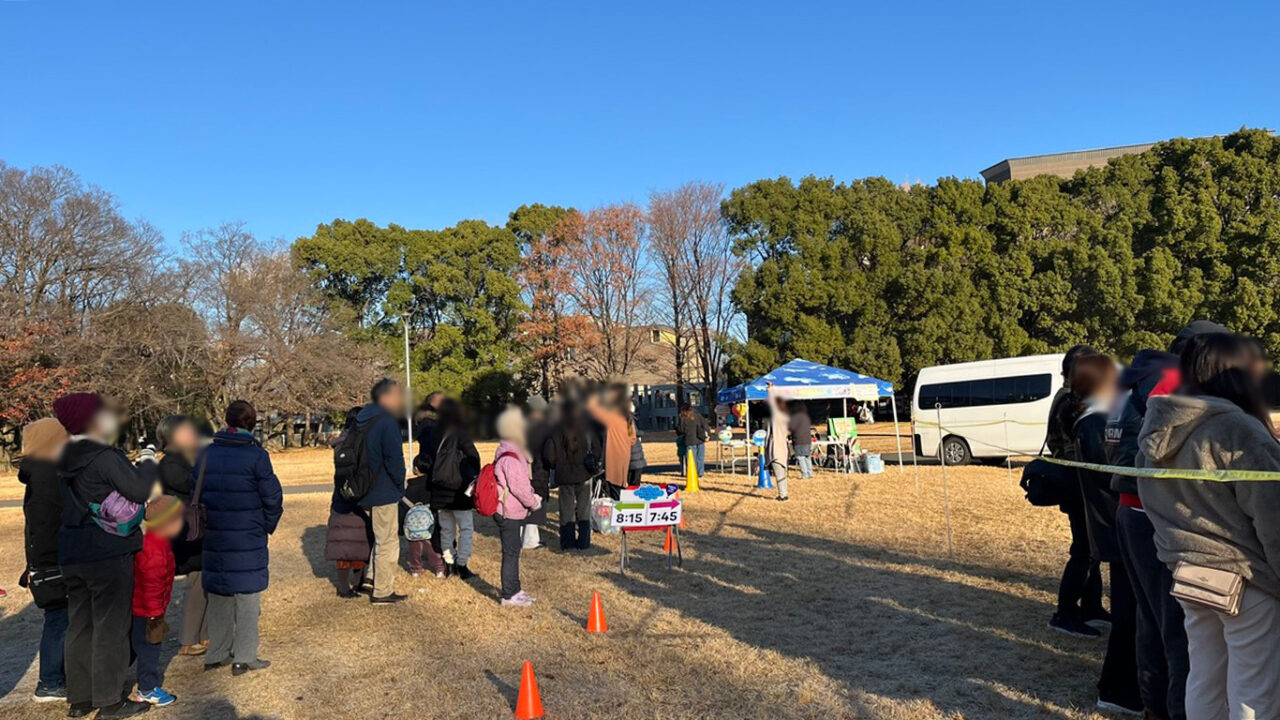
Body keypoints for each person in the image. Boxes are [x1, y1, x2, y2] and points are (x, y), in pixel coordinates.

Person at [1138, 333, 1280, 720]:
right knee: (1255, 689)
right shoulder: (1238, 430)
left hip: (1189, 575)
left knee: (1204, 678)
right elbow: (1273, 517)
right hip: (1247, 580)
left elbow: (1150, 499)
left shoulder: (1157, 426)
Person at [1107, 323, 1225, 720]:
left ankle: (1153, 706)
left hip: (1130, 505)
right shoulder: (1173, 380)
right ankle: (1173, 711)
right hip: (1155, 511)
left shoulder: (1135, 378)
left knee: (1150, 618)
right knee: (1178, 631)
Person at [55, 393, 156, 719]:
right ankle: (110, 701)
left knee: (80, 625)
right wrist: (147, 463)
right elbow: (140, 491)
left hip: (72, 550)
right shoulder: (103, 456)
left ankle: (79, 698)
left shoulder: (61, 459)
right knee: (110, 626)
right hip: (107, 551)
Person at [1070, 354, 1142, 716]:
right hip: (1117, 524)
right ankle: (1117, 690)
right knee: (1128, 616)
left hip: (1109, 524)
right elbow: (1114, 476)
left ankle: (1120, 687)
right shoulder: (1099, 420)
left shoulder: (1093, 419)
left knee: (1128, 613)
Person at [201, 400, 283, 675]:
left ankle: (217, 652)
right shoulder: (256, 456)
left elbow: (194, 490)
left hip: (214, 532)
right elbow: (272, 497)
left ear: (226, 422)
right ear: (252, 423)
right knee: (247, 597)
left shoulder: (206, 454)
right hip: (247, 535)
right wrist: (265, 525)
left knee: (219, 594)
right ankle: (244, 656)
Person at [1045, 345, 1107, 638]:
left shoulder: (1072, 397)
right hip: (1077, 484)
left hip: (1081, 482)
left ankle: (1092, 605)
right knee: (1083, 550)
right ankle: (1065, 612)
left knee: (1091, 549)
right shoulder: (1069, 400)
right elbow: (1069, 444)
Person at [19, 418, 70, 704]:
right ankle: (50, 682)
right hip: (54, 560)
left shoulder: (39, 474)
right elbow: (48, 524)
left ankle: (55, 678)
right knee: (58, 619)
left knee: (59, 619)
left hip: (45, 560)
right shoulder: (48, 476)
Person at [155, 414, 209, 656]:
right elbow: (192, 485)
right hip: (186, 532)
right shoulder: (171, 464)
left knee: (204, 581)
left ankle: (204, 634)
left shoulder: (187, 459)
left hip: (194, 528)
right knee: (196, 582)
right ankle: (189, 638)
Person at [356, 378, 409, 604]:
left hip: (362, 487)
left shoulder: (362, 418)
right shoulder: (387, 422)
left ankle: (370, 577)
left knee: (379, 536)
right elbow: (394, 460)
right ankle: (382, 591)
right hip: (383, 489)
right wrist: (400, 485)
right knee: (387, 541)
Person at [130, 496, 184, 707]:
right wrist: (155, 613)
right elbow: (151, 582)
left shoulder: (157, 543)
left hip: (145, 607)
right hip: (148, 610)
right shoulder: (154, 549)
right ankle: (147, 688)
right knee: (149, 648)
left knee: (138, 645)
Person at [493, 407, 543, 606]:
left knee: (513, 551)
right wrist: (533, 502)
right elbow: (520, 487)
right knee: (511, 552)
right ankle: (509, 594)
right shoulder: (511, 457)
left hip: (510, 509)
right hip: (508, 511)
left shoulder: (511, 452)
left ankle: (515, 589)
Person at [426, 398, 481, 579]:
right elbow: (473, 457)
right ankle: (462, 564)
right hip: (458, 488)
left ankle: (448, 562)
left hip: (439, 487)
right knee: (465, 528)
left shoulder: (434, 432)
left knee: (446, 529)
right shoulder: (460, 432)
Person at [327, 408, 375, 595]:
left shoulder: (340, 442)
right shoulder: (363, 440)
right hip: (361, 496)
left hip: (341, 496)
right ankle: (357, 582)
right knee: (361, 541)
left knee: (342, 542)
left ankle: (343, 585)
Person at [543, 397, 594, 550]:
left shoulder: (555, 430)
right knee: (584, 508)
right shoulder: (586, 428)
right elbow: (597, 448)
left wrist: (555, 465)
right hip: (584, 473)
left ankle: (568, 542)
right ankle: (584, 542)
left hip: (564, 475)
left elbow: (549, 455)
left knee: (566, 510)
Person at [588, 384, 634, 499]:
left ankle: (616, 512)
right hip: (624, 456)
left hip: (613, 456)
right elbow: (632, 439)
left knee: (613, 486)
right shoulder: (628, 418)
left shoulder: (611, 416)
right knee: (620, 485)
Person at [523, 396, 554, 550]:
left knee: (522, 502)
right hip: (538, 468)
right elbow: (548, 451)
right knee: (535, 504)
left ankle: (527, 537)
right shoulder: (544, 428)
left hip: (522, 468)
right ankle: (530, 540)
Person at [765, 384, 790, 501]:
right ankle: (783, 493)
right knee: (781, 474)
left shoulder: (777, 419)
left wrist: (770, 390)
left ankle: (783, 495)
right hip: (782, 449)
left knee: (779, 474)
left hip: (776, 450)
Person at [675, 402, 709, 479]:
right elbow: (705, 426)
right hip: (700, 439)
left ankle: (691, 473)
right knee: (700, 458)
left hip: (689, 440)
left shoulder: (683, 418)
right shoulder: (698, 416)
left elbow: (681, 430)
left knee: (691, 459)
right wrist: (707, 435)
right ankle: (700, 473)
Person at [789, 401, 813, 479]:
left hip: (799, 440)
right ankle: (810, 473)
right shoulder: (806, 416)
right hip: (807, 440)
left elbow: (791, 428)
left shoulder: (794, 417)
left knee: (800, 457)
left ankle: (805, 474)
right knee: (807, 456)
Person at [627, 408, 646, 487]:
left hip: (630, 458)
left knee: (630, 483)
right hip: (637, 457)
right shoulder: (632, 421)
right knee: (635, 484)